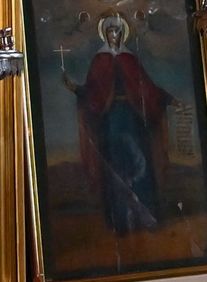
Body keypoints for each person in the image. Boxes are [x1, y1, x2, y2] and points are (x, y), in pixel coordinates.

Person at [65, 14, 169, 235]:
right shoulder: (100, 61)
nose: (114, 35)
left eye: (118, 32)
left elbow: (145, 88)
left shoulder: (130, 60)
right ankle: (120, 221)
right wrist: (77, 89)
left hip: (131, 117)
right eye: (111, 31)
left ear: (122, 35)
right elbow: (93, 91)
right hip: (111, 120)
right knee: (116, 168)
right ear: (106, 34)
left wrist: (165, 97)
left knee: (140, 164)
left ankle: (146, 216)